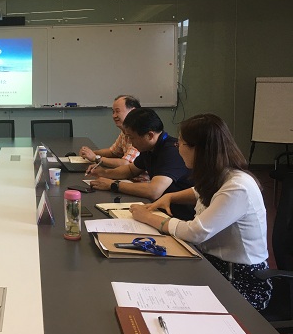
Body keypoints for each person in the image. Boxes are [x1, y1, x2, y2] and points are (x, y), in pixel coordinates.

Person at [130, 114, 271, 310]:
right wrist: (170, 197)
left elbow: (196, 232)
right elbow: (198, 191)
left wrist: (149, 218)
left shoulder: (238, 187)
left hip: (240, 279)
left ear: (198, 149)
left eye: (180, 143)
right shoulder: (219, 175)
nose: (177, 147)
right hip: (213, 263)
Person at [87, 107, 194, 220]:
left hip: (179, 216)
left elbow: (154, 191)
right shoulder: (149, 148)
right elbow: (130, 170)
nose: (131, 143)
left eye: (132, 137)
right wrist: (104, 173)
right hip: (161, 208)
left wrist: (113, 185)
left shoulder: (172, 151)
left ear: (150, 135)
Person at [81, 95, 142, 168]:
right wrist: (91, 153)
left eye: (117, 111)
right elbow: (113, 152)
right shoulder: (125, 130)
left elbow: (126, 163)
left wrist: (96, 158)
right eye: (113, 112)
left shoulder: (140, 132)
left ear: (132, 111)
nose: (114, 116)